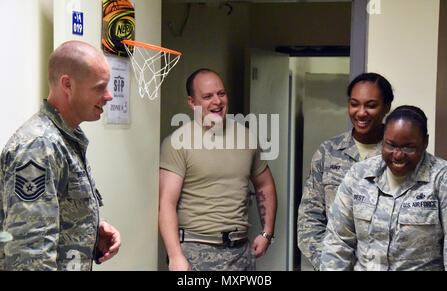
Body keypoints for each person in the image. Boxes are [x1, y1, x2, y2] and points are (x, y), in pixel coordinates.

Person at [0, 40, 121, 271]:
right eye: (99, 87)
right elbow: (29, 255)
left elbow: (53, 220)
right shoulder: (39, 146)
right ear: (68, 84)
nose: (109, 96)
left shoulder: (65, 138)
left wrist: (90, 231)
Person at [159, 68, 277, 271]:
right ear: (192, 102)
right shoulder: (177, 142)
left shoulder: (246, 137)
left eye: (221, 94)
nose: (217, 101)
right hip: (195, 252)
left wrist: (267, 233)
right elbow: (166, 204)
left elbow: (264, 184)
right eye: (207, 96)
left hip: (241, 252)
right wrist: (175, 256)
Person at [321, 105, 447, 270]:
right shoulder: (359, 175)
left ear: (425, 142)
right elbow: (337, 242)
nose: (397, 155)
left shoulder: (442, 179)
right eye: (390, 145)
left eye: (408, 147)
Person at [297, 73, 394, 270]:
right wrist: (329, 263)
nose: (361, 112)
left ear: (386, 107)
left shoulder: (399, 155)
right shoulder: (328, 152)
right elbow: (309, 217)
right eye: (354, 104)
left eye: (371, 105)